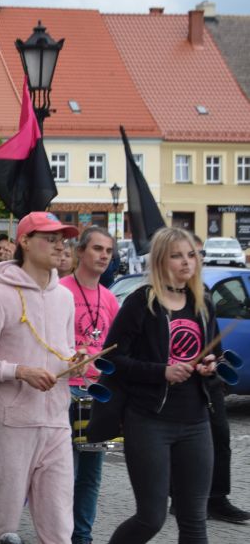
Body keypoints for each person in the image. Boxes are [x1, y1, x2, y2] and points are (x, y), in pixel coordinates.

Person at [0, 211, 79, 543]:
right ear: (24, 241)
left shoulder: (65, 297)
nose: (60, 246)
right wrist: (20, 371)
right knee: (1, 523)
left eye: (62, 240)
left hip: (57, 424)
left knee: (60, 531)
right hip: (12, 425)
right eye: (51, 239)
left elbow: (65, 351)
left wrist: (76, 363)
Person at [105, 227, 220, 543]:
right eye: (177, 256)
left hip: (196, 421)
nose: (187, 262)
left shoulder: (203, 301)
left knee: (194, 521)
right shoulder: (141, 302)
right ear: (160, 261)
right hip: (149, 421)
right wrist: (162, 372)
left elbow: (215, 355)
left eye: (191, 255)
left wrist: (210, 366)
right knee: (150, 518)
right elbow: (113, 359)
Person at [59, 226, 119, 544]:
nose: (104, 256)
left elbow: (116, 348)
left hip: (96, 393)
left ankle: (82, 537)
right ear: (80, 251)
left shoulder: (109, 298)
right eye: (97, 248)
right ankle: (58, 535)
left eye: (108, 251)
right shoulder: (60, 291)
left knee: (91, 476)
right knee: (64, 473)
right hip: (65, 390)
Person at [186, 236, 250, 523]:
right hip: (179, 383)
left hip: (208, 380)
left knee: (221, 438)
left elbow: (213, 340)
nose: (192, 260)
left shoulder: (204, 295)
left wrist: (216, 361)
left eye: (195, 254)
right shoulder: (163, 298)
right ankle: (182, 497)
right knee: (185, 443)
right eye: (184, 254)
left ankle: (218, 498)